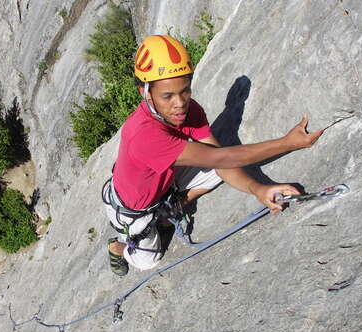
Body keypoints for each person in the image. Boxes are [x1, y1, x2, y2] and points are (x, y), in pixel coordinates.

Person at [102, 35, 323, 276]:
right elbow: (223, 159)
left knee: (217, 172)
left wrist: (259, 189)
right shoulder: (144, 135)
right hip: (133, 209)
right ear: (144, 92)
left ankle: (171, 209)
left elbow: (218, 158)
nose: (179, 104)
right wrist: (287, 143)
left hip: (162, 179)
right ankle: (118, 247)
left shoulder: (188, 110)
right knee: (148, 261)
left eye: (184, 91)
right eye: (167, 96)